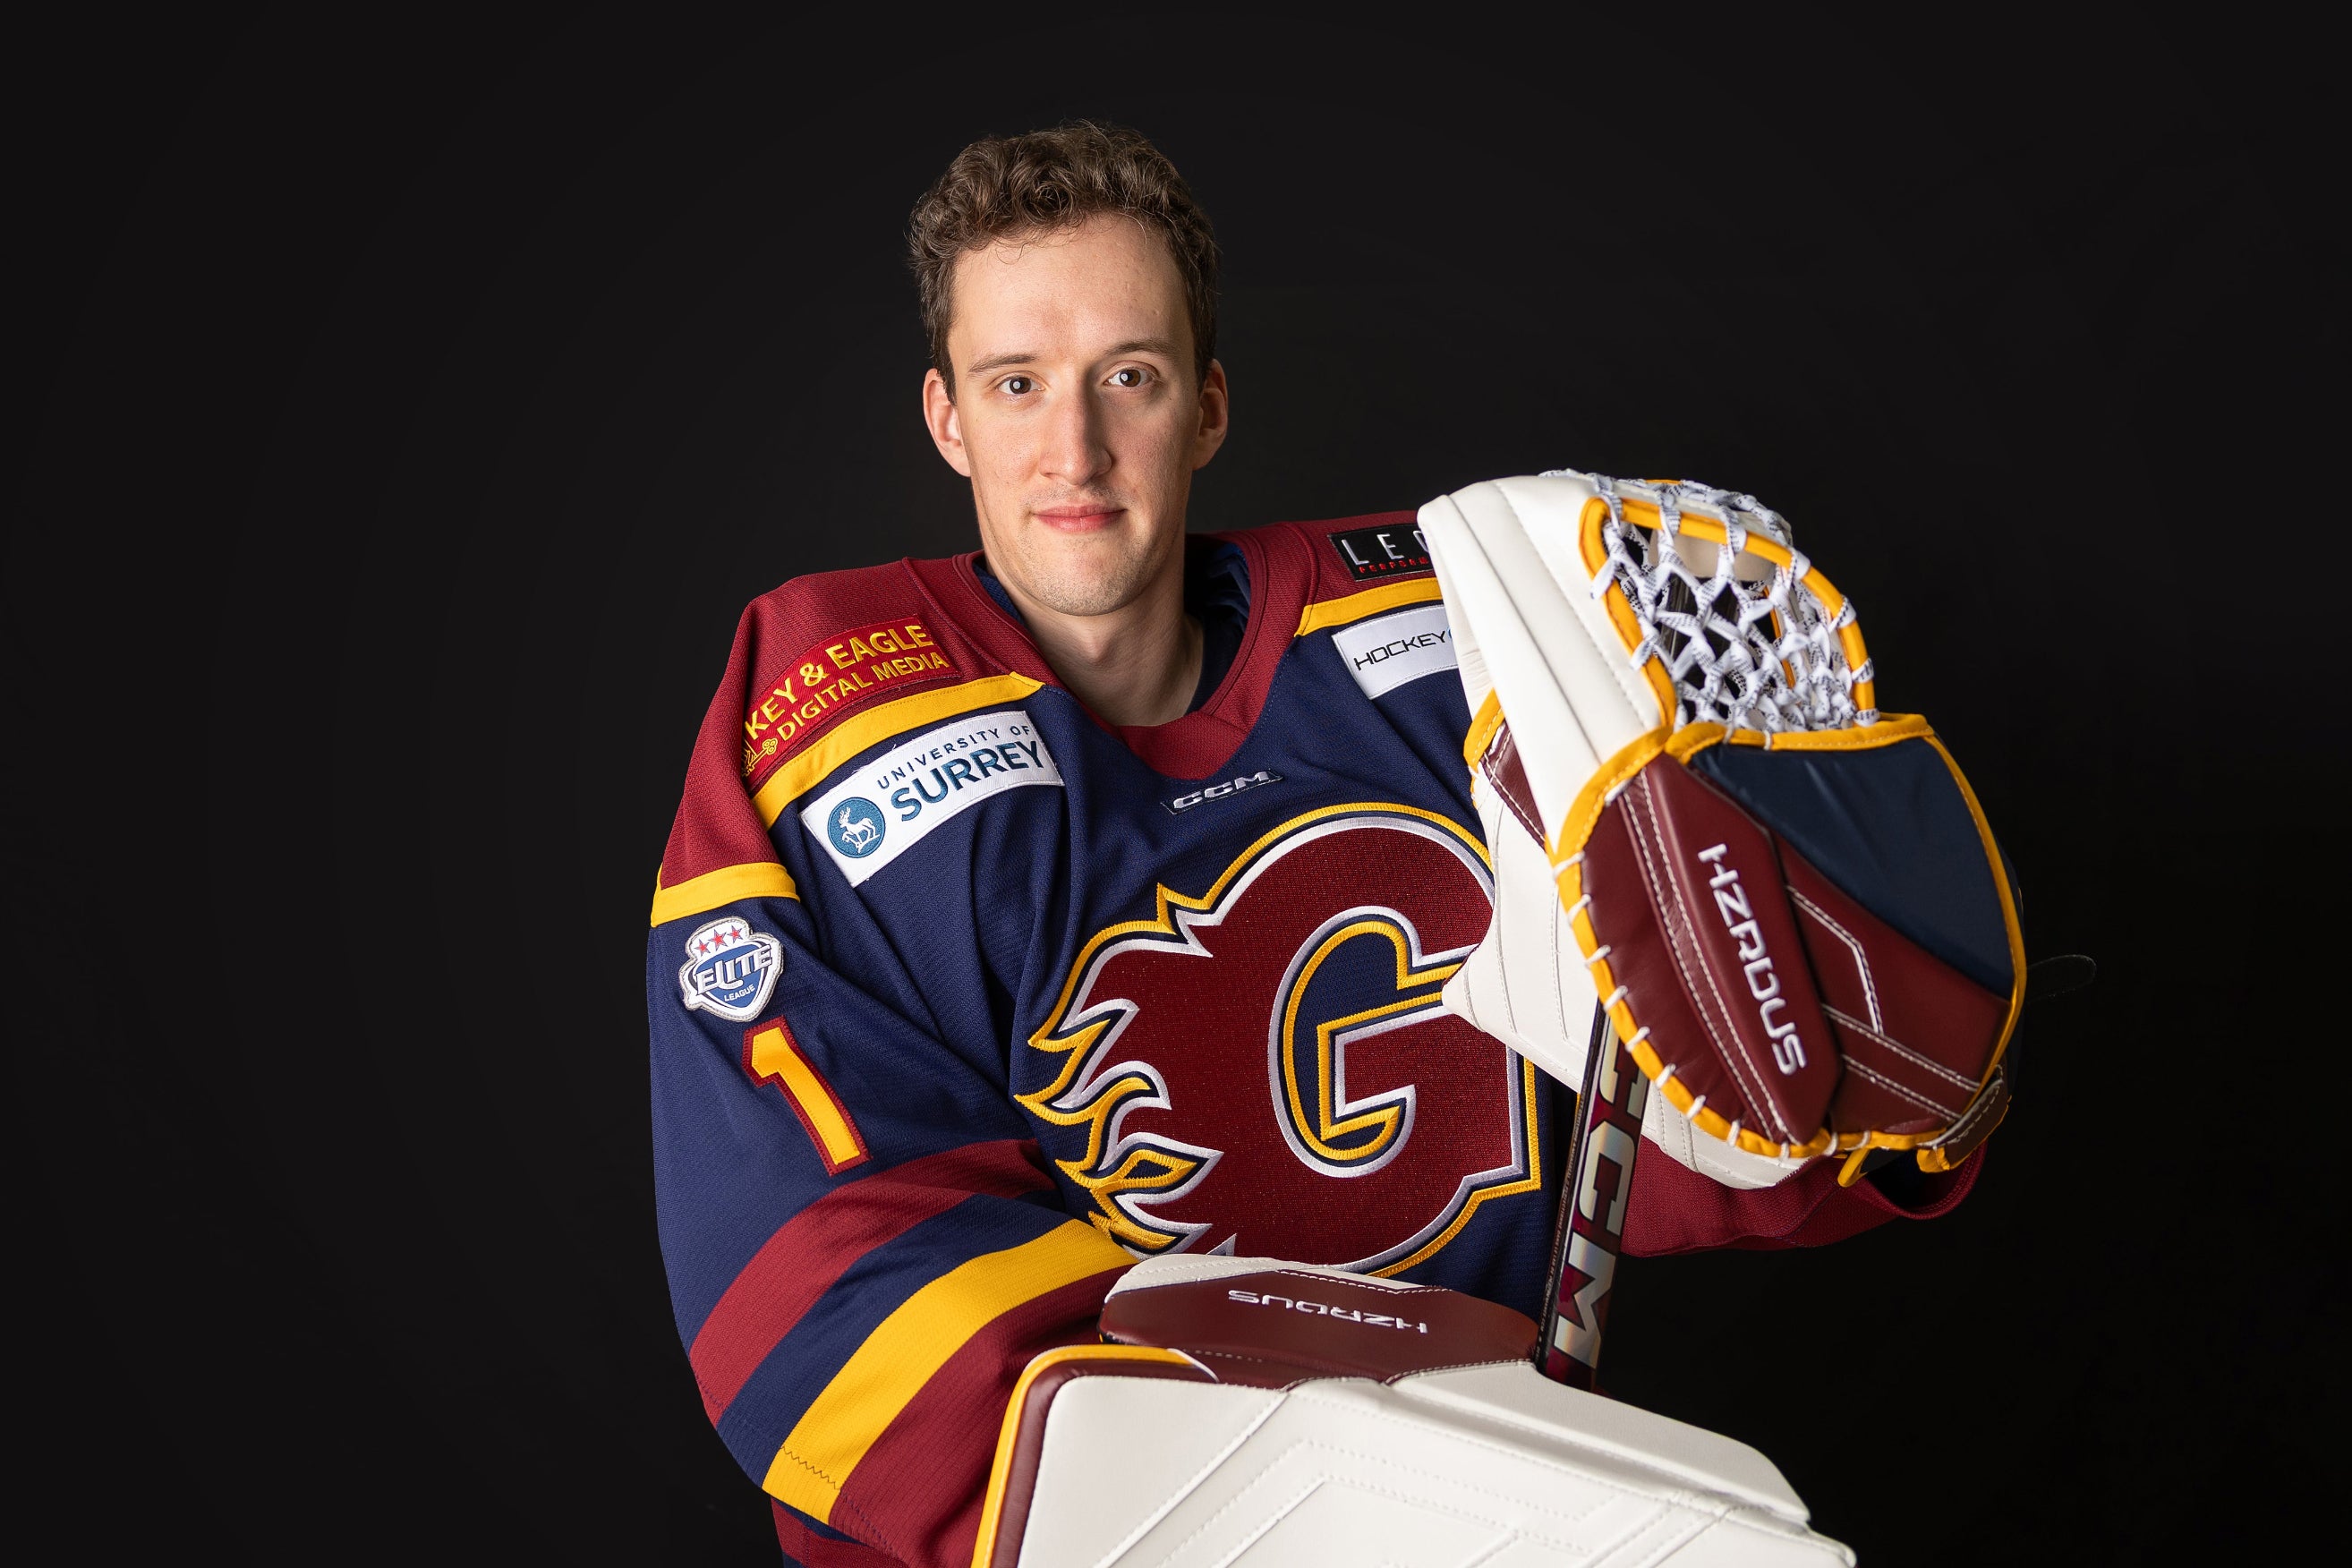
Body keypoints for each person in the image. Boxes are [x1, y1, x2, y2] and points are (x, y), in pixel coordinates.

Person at [647, 123, 1978, 1567]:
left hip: (1486, 1507)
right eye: (1016, 384)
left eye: (1129, 379)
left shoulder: (1456, 649)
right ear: (947, 418)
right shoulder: (829, 704)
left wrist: (1838, 1068)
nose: (1074, 448)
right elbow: (805, 1273)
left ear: (1207, 407)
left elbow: (1634, 1103)